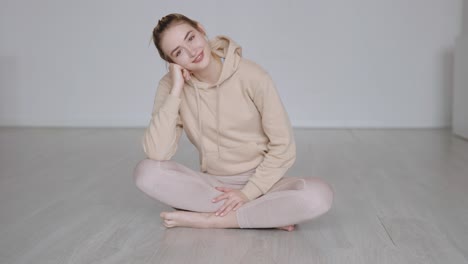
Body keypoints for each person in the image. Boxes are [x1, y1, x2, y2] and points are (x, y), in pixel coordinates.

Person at [133, 13, 334, 231]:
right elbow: (157, 153)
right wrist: (175, 90)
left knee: (318, 196)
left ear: (201, 29)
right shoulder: (171, 87)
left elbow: (283, 147)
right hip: (215, 189)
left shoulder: (253, 76)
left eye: (190, 38)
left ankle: (214, 220)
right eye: (178, 52)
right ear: (172, 62)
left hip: (265, 183)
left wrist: (248, 193)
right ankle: (263, 215)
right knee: (146, 173)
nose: (191, 52)